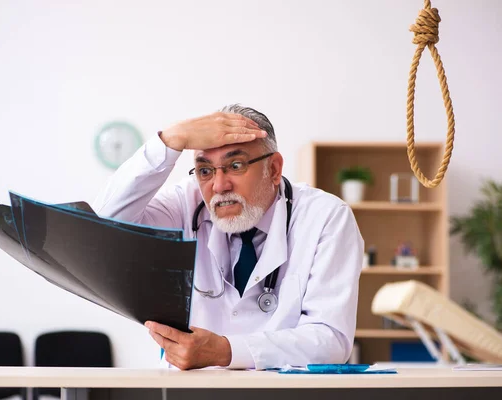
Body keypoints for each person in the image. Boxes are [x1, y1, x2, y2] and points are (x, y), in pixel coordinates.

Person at [92, 104, 364, 371]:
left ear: (273, 169)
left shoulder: (326, 217)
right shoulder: (184, 203)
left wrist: (225, 351)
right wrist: (171, 139)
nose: (219, 186)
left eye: (235, 165)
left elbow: (330, 339)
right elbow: (103, 228)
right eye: (205, 170)